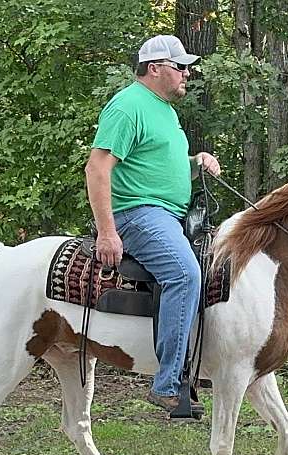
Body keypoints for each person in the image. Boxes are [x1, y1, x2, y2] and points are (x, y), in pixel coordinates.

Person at [85, 35, 221, 417]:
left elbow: (156, 166)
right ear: (155, 68)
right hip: (140, 215)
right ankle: (168, 384)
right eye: (180, 67)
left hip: (169, 213)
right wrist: (107, 231)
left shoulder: (163, 109)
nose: (187, 74)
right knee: (184, 274)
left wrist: (197, 162)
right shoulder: (128, 106)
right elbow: (97, 168)